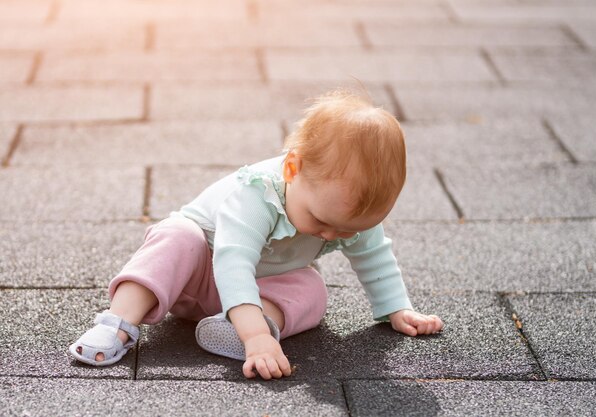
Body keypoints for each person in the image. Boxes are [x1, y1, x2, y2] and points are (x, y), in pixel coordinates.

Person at [69, 89, 444, 379]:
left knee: (311, 288)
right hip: (196, 277)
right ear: (292, 169)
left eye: (348, 229)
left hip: (262, 287)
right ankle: (118, 322)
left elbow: (373, 254)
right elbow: (233, 263)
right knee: (177, 236)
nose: (332, 235)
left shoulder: (346, 212)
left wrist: (397, 308)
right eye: (321, 221)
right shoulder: (256, 195)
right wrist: (257, 340)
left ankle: (248, 321)